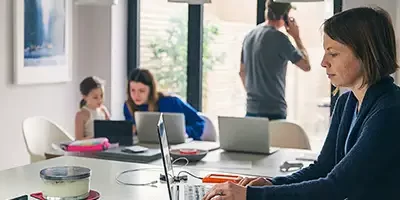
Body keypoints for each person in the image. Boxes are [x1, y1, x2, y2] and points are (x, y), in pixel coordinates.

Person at [203, 6, 400, 200]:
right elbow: (323, 167)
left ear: (365, 53)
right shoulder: (346, 102)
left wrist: (250, 195)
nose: (324, 62)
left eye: (333, 53)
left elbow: (337, 186)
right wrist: (273, 183)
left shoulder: (390, 110)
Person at [240, 0, 311, 120]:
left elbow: (242, 72)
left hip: (251, 110)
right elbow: (306, 65)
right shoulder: (280, 39)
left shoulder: (249, 36)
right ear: (285, 16)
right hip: (274, 112)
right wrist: (296, 37)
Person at [123, 68, 205, 140]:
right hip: (148, 148)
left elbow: (200, 123)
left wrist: (183, 132)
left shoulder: (171, 102)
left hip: (181, 147)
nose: (136, 95)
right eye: (132, 90)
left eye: (141, 91)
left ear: (151, 91)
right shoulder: (128, 106)